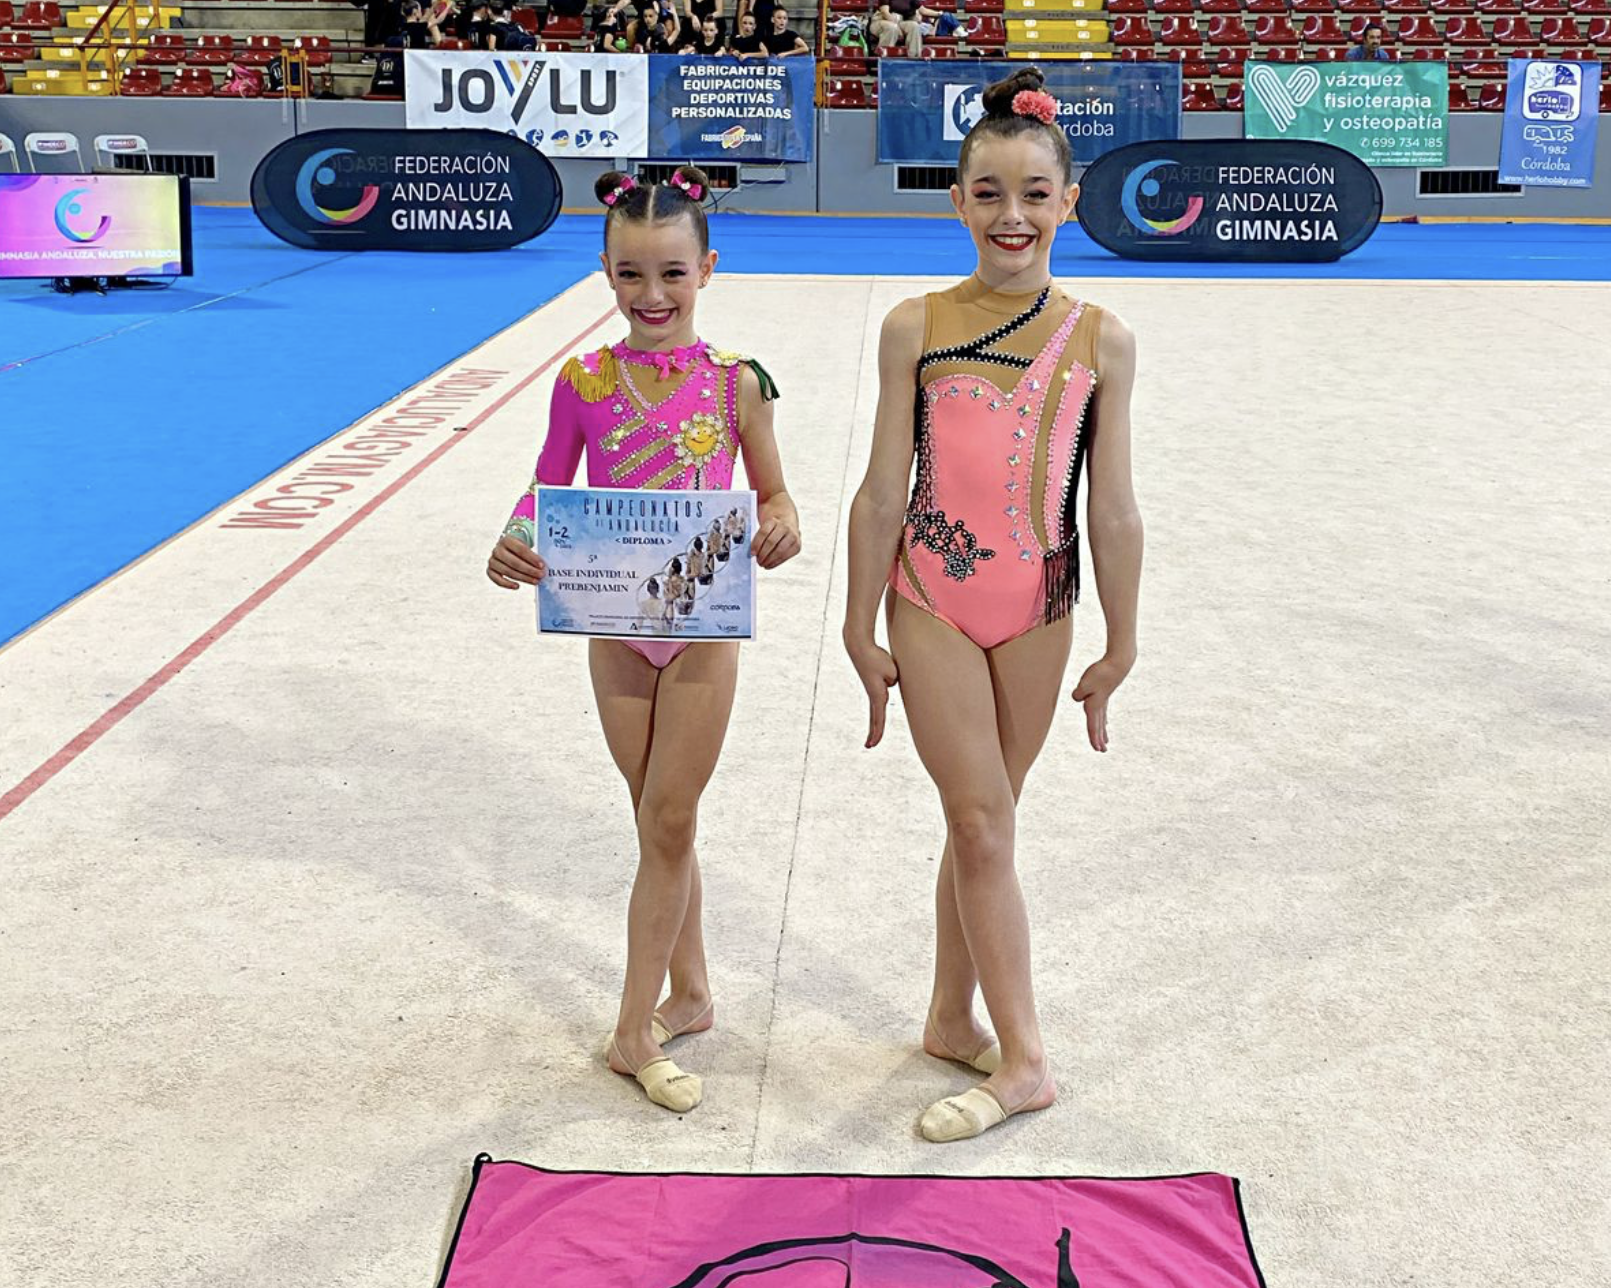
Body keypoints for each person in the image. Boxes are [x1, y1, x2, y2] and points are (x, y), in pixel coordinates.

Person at [842, 67, 1141, 1144]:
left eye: (1031, 194)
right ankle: (1022, 1061)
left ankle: (944, 1015)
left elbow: (1110, 506)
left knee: (988, 829)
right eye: (986, 193)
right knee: (977, 820)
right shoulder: (912, 323)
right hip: (929, 592)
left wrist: (1120, 638)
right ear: (956, 200)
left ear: (1069, 201)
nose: (1009, 216)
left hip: (1041, 603)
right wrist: (854, 622)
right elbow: (882, 486)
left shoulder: (1102, 338)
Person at [486, 167, 802, 1115]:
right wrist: (516, 539)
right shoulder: (580, 382)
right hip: (615, 626)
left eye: (671, 273)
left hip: (702, 630)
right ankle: (693, 993)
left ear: (707, 267)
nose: (652, 296)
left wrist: (782, 523)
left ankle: (632, 1031)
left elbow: (774, 491)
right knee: (656, 814)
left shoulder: (739, 384)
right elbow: (546, 490)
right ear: (605, 274)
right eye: (631, 275)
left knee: (667, 817)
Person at [869, 0, 933, 58]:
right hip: (881, 20)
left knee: (914, 26)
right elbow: (885, 13)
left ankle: (914, 57)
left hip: (899, 22)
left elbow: (922, 10)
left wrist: (939, 14)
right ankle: (884, 59)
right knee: (892, 27)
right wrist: (897, 28)